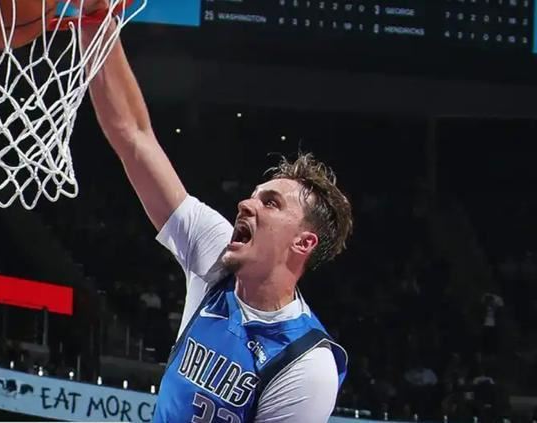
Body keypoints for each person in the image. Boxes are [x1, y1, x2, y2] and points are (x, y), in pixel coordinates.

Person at [82, 5, 353, 422]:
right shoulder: (216, 253)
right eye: (254, 196)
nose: (246, 204)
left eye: (271, 203)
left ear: (303, 242)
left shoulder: (308, 366)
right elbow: (133, 137)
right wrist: (96, 25)